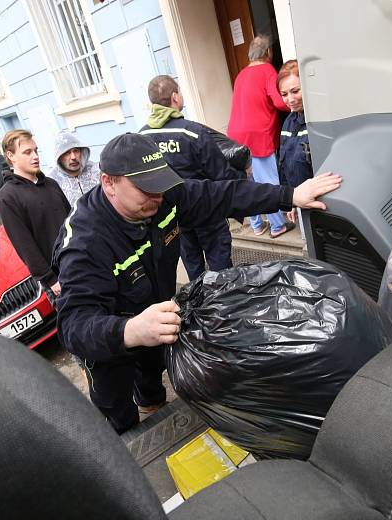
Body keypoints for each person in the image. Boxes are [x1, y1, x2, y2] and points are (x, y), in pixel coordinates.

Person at [52, 133, 341, 433]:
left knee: (152, 378)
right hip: (110, 341)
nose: (157, 197)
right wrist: (130, 330)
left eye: (160, 185)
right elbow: (73, 324)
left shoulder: (163, 197)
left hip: (154, 318)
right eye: (145, 188)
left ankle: (153, 404)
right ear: (109, 182)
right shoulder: (85, 242)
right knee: (118, 411)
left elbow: (223, 196)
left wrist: (289, 195)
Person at [139, 74, 245, 280]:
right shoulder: (193, 132)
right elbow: (221, 174)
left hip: (173, 217)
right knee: (221, 270)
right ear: (175, 97)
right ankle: (223, 308)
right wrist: (241, 180)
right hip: (207, 211)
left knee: (193, 268)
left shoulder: (142, 137)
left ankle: (199, 307)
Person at [227, 34, 294, 238]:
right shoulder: (267, 70)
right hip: (258, 134)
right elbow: (279, 102)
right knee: (268, 181)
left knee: (248, 182)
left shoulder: (240, 75)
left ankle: (256, 226)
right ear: (268, 53)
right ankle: (277, 226)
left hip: (236, 135)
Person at [0, 129, 70, 303]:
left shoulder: (51, 184)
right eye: (27, 152)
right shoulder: (7, 197)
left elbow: (72, 222)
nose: (35, 156)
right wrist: (50, 279)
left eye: (35, 150)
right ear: (10, 155)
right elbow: (24, 244)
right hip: (58, 279)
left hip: (81, 262)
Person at [277, 59, 314, 227]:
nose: (290, 99)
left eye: (295, 91)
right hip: (299, 202)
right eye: (284, 94)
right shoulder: (288, 123)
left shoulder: (319, 122)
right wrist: (289, 200)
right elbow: (283, 164)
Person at [46, 131, 100, 207]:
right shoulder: (52, 181)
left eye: (76, 151)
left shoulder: (96, 170)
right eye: (67, 153)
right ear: (59, 156)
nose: (73, 157)